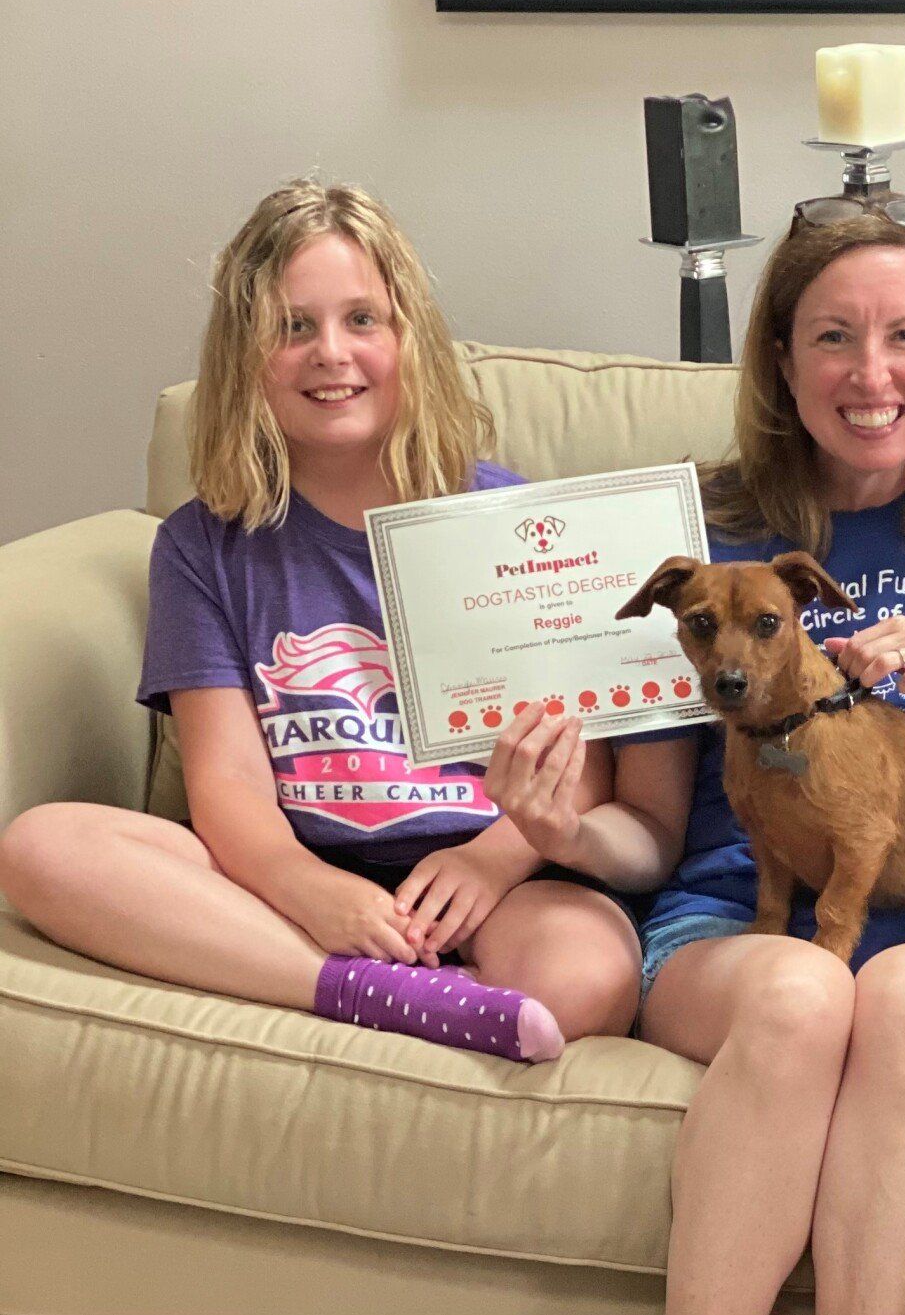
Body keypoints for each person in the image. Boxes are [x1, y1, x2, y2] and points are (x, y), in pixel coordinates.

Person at [497, 192, 905, 1315]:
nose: (871, 373)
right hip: (732, 919)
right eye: (833, 335)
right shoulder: (695, 521)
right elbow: (658, 832)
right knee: (802, 993)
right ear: (781, 356)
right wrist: (561, 832)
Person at [0, 181, 650, 1062]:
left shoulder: (510, 521)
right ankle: (365, 990)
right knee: (42, 846)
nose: (329, 353)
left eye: (362, 320)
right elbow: (224, 784)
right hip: (286, 882)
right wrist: (311, 891)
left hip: (485, 873)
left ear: (407, 339)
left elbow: (584, 762)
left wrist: (492, 862)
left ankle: (403, 982)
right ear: (244, 358)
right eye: (291, 327)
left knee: (590, 975)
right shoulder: (203, 545)